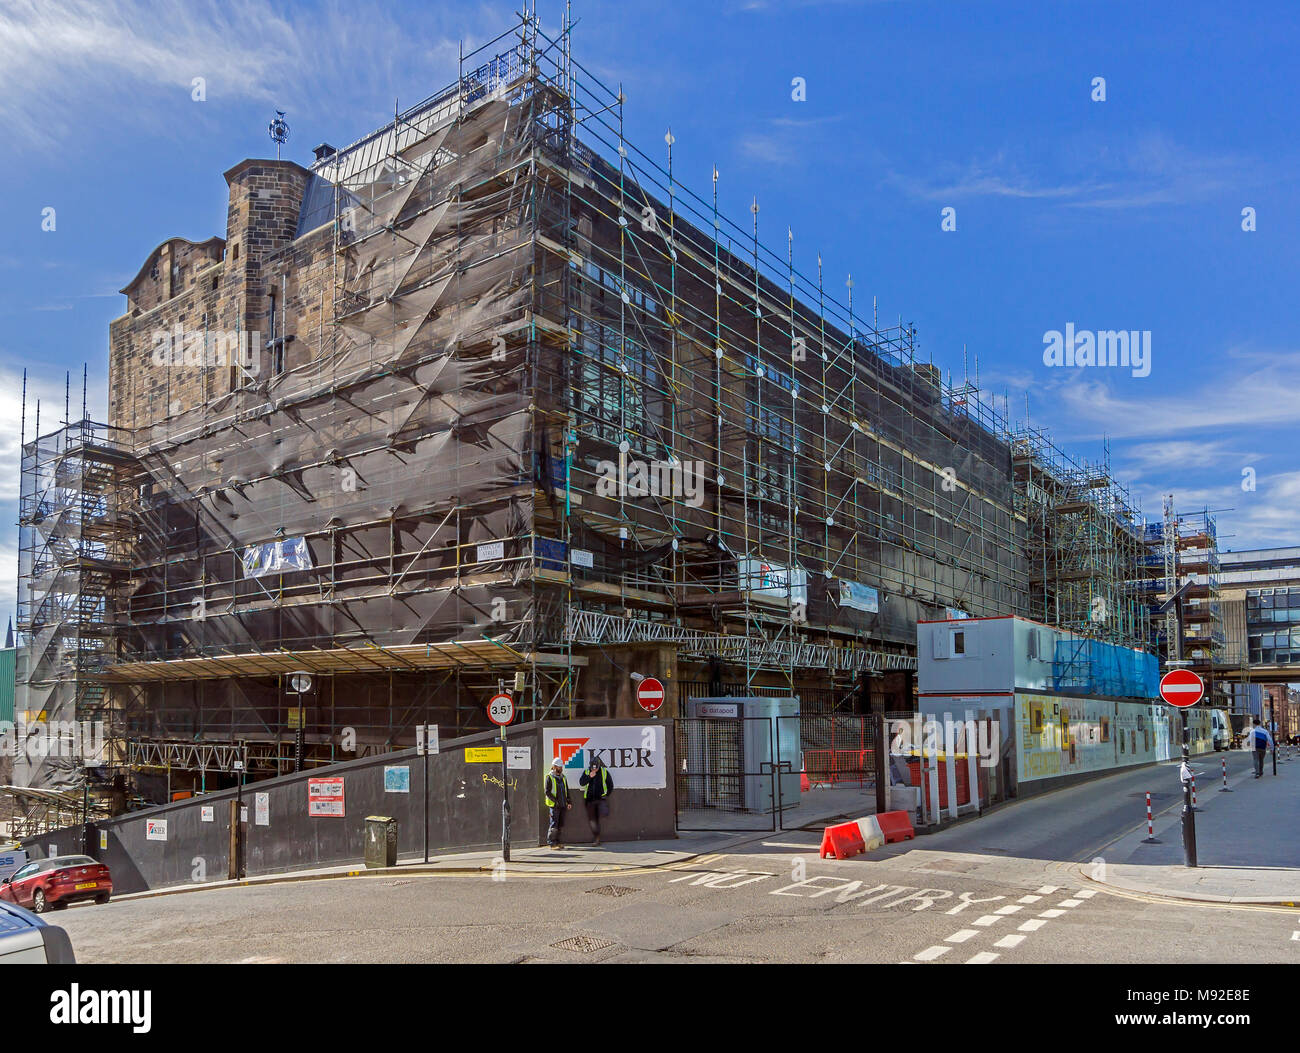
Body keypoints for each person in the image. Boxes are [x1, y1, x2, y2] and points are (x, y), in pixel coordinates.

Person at [579, 754, 614, 846]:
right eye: (593, 767)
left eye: (596, 768)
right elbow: (581, 783)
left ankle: (603, 812)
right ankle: (597, 838)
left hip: (600, 799)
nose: (595, 769)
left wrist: (606, 795)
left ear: (599, 765)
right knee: (593, 820)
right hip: (589, 800)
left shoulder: (604, 772)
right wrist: (589, 776)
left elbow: (610, 785)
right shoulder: (587, 771)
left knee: (601, 815)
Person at [543, 757, 571, 849]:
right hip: (554, 806)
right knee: (554, 824)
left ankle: (558, 842)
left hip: (563, 805)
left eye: (561, 767)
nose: (561, 768)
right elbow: (547, 791)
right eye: (559, 767)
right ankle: (551, 843)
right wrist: (556, 801)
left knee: (560, 824)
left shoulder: (563, 778)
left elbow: (567, 790)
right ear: (554, 767)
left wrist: (569, 802)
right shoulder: (549, 777)